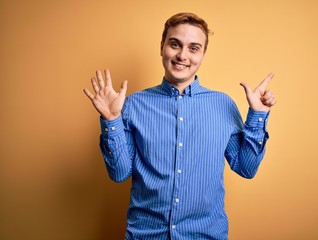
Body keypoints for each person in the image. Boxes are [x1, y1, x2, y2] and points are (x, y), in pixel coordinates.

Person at [83, 12, 276, 240]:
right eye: (175, 44)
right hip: (146, 235)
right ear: (162, 47)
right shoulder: (133, 105)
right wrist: (111, 120)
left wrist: (257, 116)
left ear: (202, 55)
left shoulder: (223, 105)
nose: (182, 55)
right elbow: (119, 173)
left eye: (193, 48)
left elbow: (246, 168)